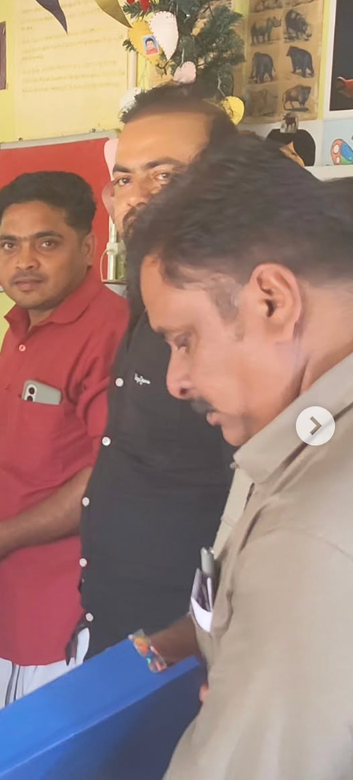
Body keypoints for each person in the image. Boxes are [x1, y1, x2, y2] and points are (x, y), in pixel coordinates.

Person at [131, 133, 353, 780]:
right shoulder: (298, 442)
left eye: (184, 339)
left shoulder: (313, 528)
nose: (176, 380)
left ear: (272, 301)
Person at [0, 173, 129, 718]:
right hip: (11, 596)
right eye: (10, 245)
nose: (25, 261)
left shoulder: (107, 331)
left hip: (62, 608)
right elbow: (48, 457)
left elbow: (111, 474)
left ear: (88, 246)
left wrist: (3, 531)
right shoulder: (18, 327)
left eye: (47, 242)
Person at [77, 84, 239, 659]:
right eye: (124, 179)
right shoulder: (146, 303)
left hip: (187, 648)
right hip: (122, 627)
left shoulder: (242, 322)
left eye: (163, 175)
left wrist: (197, 637)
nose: (137, 196)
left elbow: (258, 505)